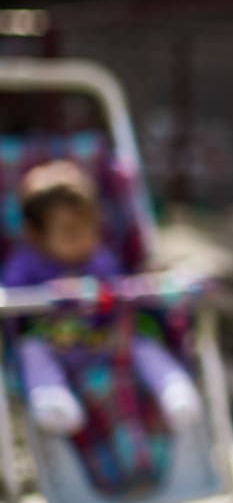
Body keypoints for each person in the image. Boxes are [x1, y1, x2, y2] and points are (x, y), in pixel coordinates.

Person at [6, 160, 202, 436]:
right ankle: (52, 401)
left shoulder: (99, 260)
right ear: (36, 235)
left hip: (100, 342)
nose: (85, 239)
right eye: (71, 231)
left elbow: (117, 290)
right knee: (30, 351)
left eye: (91, 229)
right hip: (54, 344)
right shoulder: (25, 265)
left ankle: (174, 389)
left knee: (140, 342)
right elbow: (10, 299)